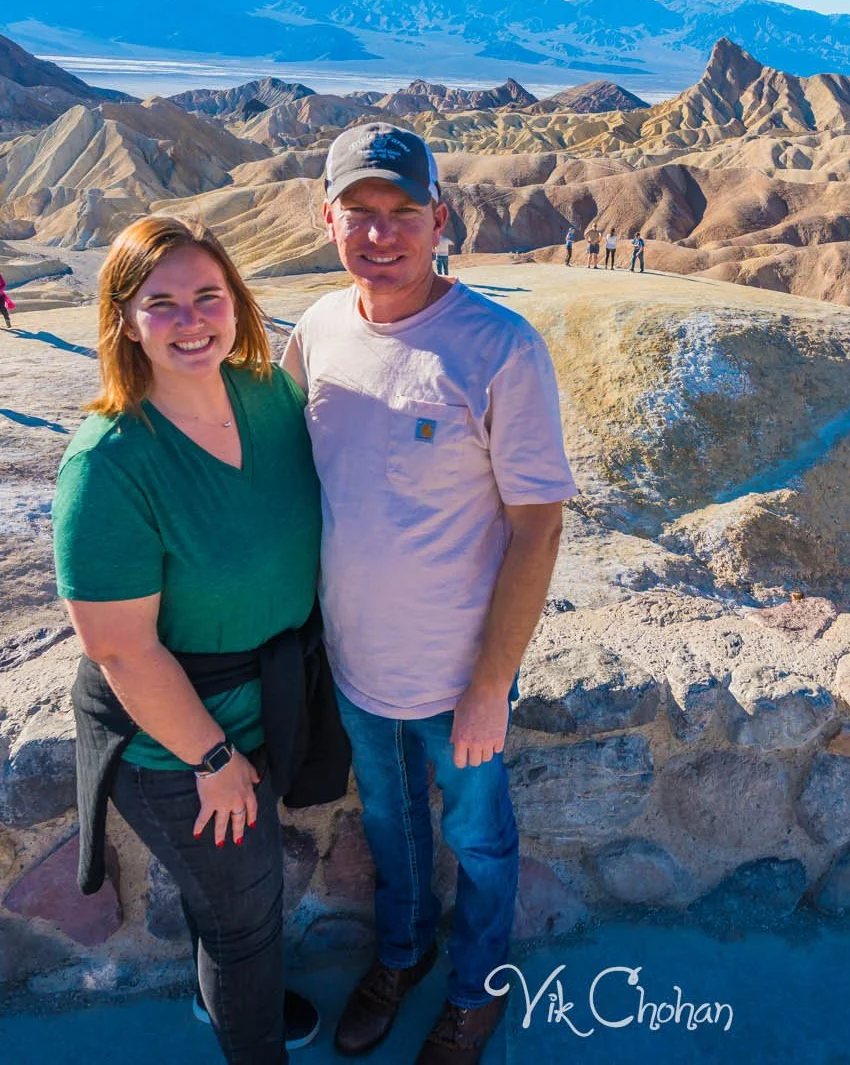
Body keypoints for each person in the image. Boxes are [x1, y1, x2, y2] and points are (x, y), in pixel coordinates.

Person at [283, 123, 575, 1065]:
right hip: (358, 667)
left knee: (482, 841)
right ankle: (402, 957)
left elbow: (538, 526)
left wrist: (492, 683)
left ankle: (477, 993)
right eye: (359, 213)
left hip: (461, 678)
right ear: (327, 220)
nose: (381, 233)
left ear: (439, 218)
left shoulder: (500, 347)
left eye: (402, 212)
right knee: (391, 827)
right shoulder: (318, 331)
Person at [54, 215, 331, 1064]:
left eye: (208, 296)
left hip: (268, 699)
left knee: (239, 907)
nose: (191, 319)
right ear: (124, 320)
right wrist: (212, 759)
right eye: (161, 302)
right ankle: (249, 1036)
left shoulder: (270, 397)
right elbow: (123, 648)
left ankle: (233, 1001)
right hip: (177, 741)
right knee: (246, 915)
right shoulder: (109, 464)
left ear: (237, 304)